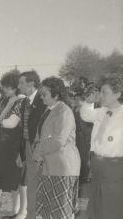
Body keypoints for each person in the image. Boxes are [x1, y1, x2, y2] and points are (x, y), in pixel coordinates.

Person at [33, 77, 80, 219]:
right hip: (49, 166)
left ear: (56, 94)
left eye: (45, 94)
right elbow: (41, 134)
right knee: (48, 211)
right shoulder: (49, 110)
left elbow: (58, 140)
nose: (41, 97)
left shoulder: (64, 112)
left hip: (61, 167)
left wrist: (38, 152)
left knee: (61, 212)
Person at [80, 75, 123, 219]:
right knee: (96, 202)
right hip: (96, 162)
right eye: (100, 92)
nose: (101, 96)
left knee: (111, 205)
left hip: (114, 165)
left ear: (117, 94)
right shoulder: (101, 111)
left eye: (105, 92)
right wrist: (88, 102)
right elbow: (85, 115)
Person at [0, 72, 25, 218]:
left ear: (13, 87)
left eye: (6, 87)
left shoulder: (20, 101)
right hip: (5, 144)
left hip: (14, 145)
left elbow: (12, 123)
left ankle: (18, 210)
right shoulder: (8, 101)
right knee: (10, 179)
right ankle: (14, 209)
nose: (3, 89)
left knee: (16, 179)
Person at [14, 70, 47, 219]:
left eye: (21, 83)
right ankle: (30, 214)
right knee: (31, 183)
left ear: (31, 84)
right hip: (28, 147)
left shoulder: (44, 101)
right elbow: (22, 129)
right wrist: (20, 152)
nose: (18, 86)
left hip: (40, 149)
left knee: (39, 184)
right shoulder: (25, 102)